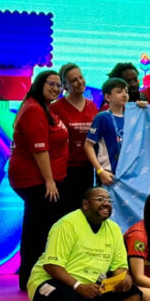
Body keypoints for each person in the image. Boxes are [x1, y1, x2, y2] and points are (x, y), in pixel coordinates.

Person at [9, 69, 69, 291]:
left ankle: (33, 277)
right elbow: (39, 149)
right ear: (39, 84)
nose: (55, 88)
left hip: (43, 179)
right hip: (35, 180)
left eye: (58, 85)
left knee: (39, 228)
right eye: (50, 84)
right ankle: (30, 279)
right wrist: (49, 181)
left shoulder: (44, 107)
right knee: (37, 231)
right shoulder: (34, 109)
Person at [51, 63, 99, 213]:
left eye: (80, 77)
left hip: (87, 168)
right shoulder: (55, 108)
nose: (79, 82)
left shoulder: (92, 106)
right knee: (66, 212)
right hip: (64, 170)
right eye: (73, 80)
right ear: (64, 85)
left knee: (84, 211)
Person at [84, 77, 128, 185]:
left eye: (126, 91)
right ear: (108, 97)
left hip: (126, 174)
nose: (124, 95)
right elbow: (88, 146)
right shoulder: (102, 117)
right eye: (119, 92)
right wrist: (100, 171)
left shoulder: (131, 117)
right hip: (108, 174)